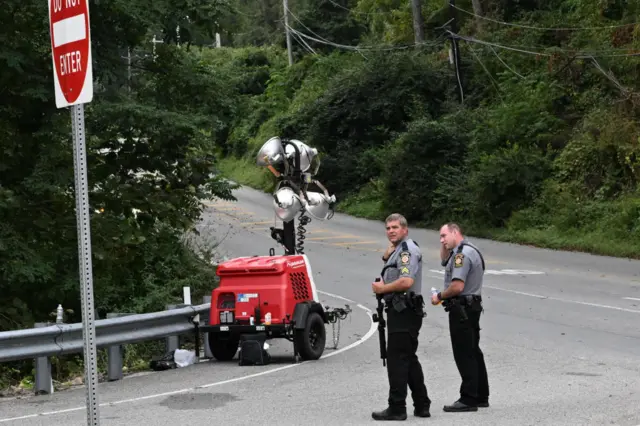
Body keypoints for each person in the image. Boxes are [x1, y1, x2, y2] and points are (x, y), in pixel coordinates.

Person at [371, 213, 431, 421]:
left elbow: (405, 281)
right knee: (408, 358)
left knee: (397, 359)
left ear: (405, 229)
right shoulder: (400, 249)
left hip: (403, 310)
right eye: (388, 228)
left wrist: (382, 289)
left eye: (396, 227)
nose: (391, 231)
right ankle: (422, 404)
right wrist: (387, 256)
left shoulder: (406, 251)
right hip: (403, 309)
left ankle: (397, 407)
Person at [431, 223, 490, 412]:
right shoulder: (469, 249)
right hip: (472, 307)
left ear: (456, 232)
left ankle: (468, 398)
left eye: (444, 236)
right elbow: (443, 260)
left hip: (462, 308)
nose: (442, 240)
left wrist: (439, 296)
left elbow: (457, 286)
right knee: (473, 350)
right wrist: (445, 244)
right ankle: (481, 395)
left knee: (464, 353)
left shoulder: (461, 255)